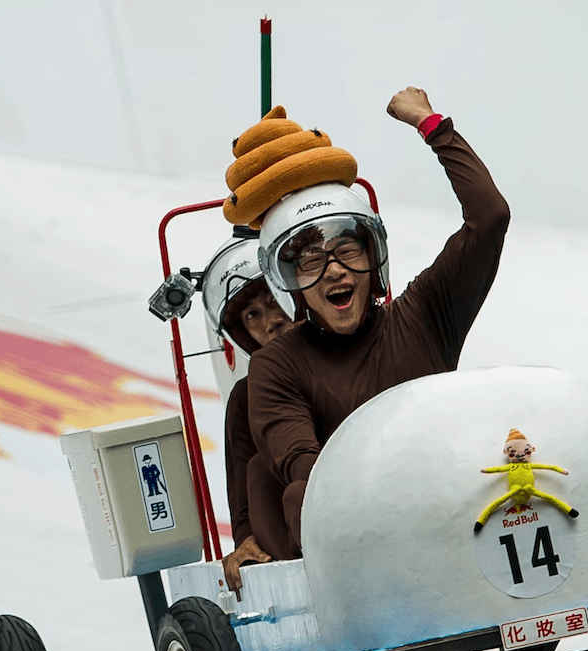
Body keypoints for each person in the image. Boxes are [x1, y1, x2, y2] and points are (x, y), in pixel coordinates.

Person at [245, 86, 511, 555]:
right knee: (299, 494)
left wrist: (431, 126)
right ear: (289, 282)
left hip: (457, 516)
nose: (333, 268)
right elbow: (305, 469)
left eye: (346, 248)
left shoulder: (424, 316)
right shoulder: (276, 366)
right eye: (309, 260)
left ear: (374, 256)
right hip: (357, 545)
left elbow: (489, 217)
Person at [200, 234, 296, 597]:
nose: (270, 322)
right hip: (296, 540)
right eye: (253, 315)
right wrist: (244, 545)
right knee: (259, 473)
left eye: (274, 302)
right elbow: (243, 502)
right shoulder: (245, 397)